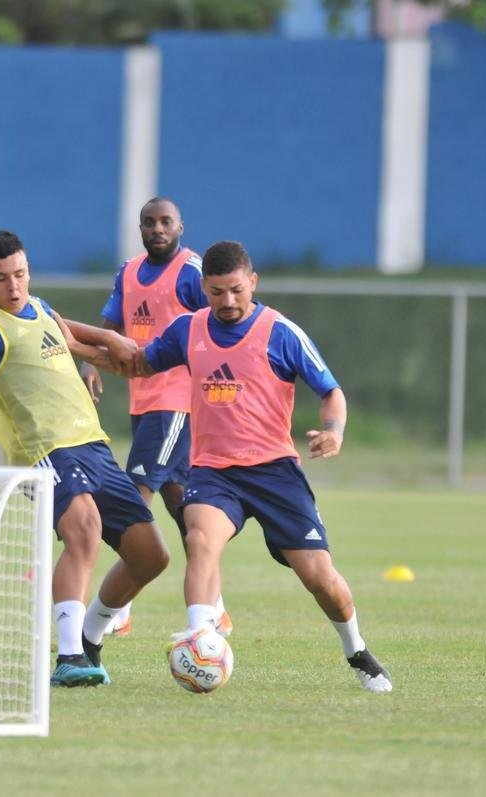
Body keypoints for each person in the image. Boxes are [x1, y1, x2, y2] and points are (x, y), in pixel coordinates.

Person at [133, 240, 393, 693]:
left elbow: (331, 391)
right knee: (200, 539)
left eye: (236, 290)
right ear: (204, 288)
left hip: (274, 472)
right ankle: (201, 637)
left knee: (319, 577)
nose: (227, 301)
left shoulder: (280, 332)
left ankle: (357, 651)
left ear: (252, 283)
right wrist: (76, 342)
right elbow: (138, 362)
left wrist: (333, 431)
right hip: (213, 471)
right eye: (216, 292)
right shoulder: (188, 329)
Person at [0, 230, 170, 687]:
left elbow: (68, 332)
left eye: (19, 274)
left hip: (94, 446)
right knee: (85, 529)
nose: (13, 287)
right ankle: (69, 656)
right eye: (0, 279)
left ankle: (90, 637)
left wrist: (109, 342)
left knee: (151, 556)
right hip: (45, 451)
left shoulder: (40, 309)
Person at [80, 197, 231, 639]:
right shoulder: (128, 271)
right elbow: (112, 324)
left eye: (166, 221)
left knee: (134, 492)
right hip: (142, 400)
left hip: (178, 400)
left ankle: (119, 604)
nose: (157, 228)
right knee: (181, 504)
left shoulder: (190, 271)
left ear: (181, 225)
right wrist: (91, 364)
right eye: (149, 222)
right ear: (140, 227)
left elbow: (216, 324)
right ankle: (216, 606)